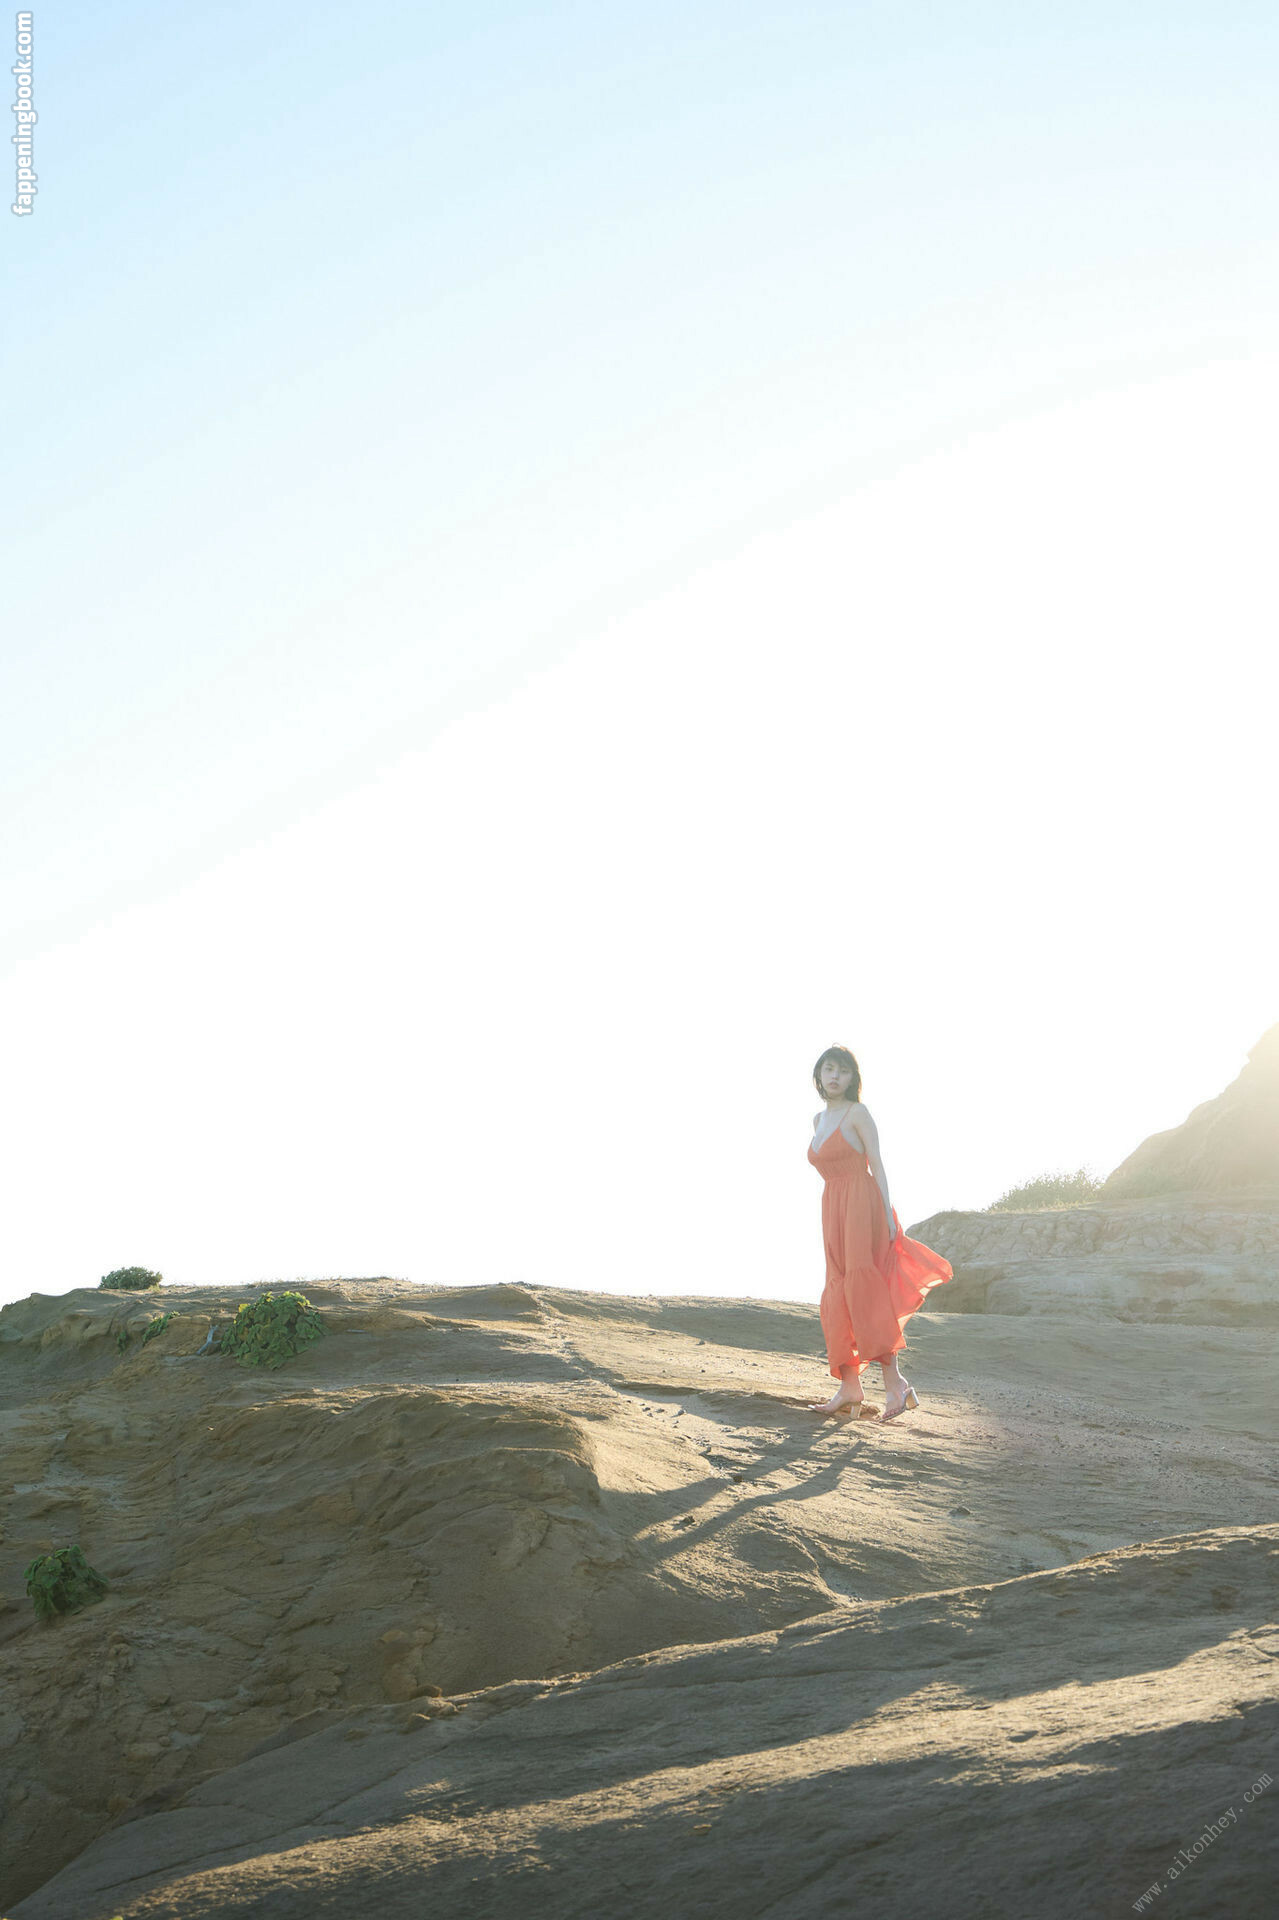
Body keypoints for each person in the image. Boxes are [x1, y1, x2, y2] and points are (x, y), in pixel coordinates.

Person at [805, 1043, 952, 1421]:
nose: (835, 1076)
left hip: (861, 1203)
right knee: (837, 1288)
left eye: (843, 1071)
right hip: (832, 1206)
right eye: (829, 1069)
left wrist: (887, 1215)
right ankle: (849, 1385)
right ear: (819, 1074)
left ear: (852, 1078)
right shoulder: (817, 1120)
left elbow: (878, 1165)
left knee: (863, 1288)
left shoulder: (858, 1113)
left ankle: (894, 1383)